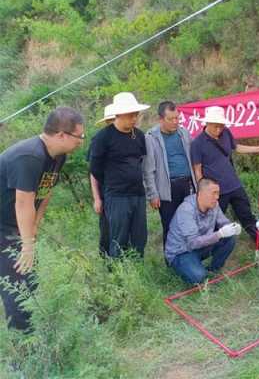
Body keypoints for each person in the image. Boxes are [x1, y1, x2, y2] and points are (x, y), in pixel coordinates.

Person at [0, 107, 85, 331]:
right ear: (61, 135)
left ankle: (32, 335)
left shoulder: (58, 156)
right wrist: (27, 245)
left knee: (29, 280)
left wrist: (34, 227)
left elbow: (45, 191)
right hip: (3, 226)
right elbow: (23, 202)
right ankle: (22, 350)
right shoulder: (30, 156)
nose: (81, 141)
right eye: (79, 136)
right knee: (15, 284)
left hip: (17, 224)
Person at [191, 106, 259, 241]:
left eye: (221, 126)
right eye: (216, 126)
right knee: (214, 221)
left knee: (246, 214)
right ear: (207, 123)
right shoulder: (197, 143)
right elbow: (197, 169)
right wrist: (203, 191)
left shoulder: (226, 133)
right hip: (216, 190)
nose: (219, 129)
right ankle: (211, 246)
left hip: (234, 184)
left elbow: (236, 147)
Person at [89, 92, 149, 258]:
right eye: (131, 115)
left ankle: (137, 272)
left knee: (139, 237)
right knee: (118, 238)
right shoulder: (103, 137)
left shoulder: (139, 135)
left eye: (136, 115)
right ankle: (118, 275)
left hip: (138, 194)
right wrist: (109, 186)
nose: (134, 118)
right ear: (119, 114)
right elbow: (95, 169)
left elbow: (141, 162)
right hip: (117, 196)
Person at [143, 101, 196, 260]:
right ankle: (171, 259)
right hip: (167, 188)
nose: (175, 122)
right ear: (160, 119)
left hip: (187, 184)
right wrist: (153, 194)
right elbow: (148, 169)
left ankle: (188, 256)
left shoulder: (184, 133)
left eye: (177, 118)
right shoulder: (151, 138)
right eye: (171, 119)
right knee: (170, 224)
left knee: (188, 222)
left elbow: (193, 157)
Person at [165, 178, 240, 284]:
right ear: (201, 193)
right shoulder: (186, 210)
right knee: (199, 277)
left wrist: (233, 227)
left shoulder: (214, 205)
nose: (217, 197)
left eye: (218, 193)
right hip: (182, 252)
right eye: (214, 193)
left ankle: (213, 270)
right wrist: (219, 234)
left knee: (229, 239)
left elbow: (223, 222)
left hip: (201, 245)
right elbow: (193, 243)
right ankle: (185, 269)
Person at [88, 104, 115, 257]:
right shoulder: (99, 140)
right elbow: (93, 172)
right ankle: (107, 262)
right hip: (105, 193)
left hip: (123, 194)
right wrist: (97, 198)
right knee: (107, 229)